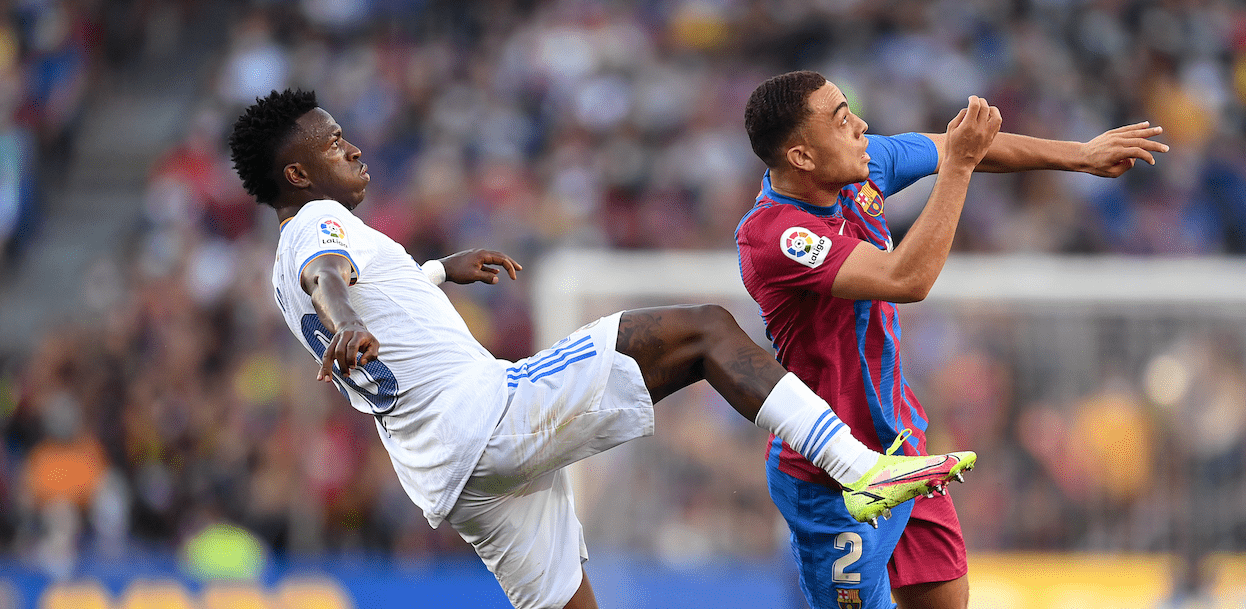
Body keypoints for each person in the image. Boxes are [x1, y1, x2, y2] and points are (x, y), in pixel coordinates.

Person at [226, 88, 977, 609]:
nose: (352, 147)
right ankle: (859, 468)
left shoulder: (281, 267)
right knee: (705, 329)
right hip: (486, 417)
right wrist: (346, 316)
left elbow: (343, 286)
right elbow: (329, 276)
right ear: (298, 175)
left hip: (448, 478)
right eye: (333, 143)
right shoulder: (317, 227)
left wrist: (431, 272)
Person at [735, 71, 1168, 609]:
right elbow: (905, 279)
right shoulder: (776, 236)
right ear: (801, 157)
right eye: (842, 119)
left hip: (902, 448)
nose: (861, 126)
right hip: (831, 475)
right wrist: (959, 167)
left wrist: (1080, 155)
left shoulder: (859, 168)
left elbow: (962, 147)